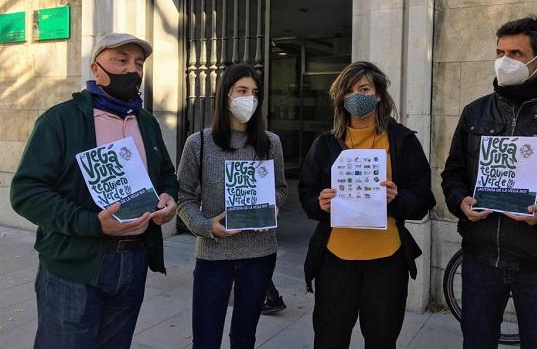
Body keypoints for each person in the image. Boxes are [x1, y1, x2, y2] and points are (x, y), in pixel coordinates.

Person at [10, 33, 178, 349]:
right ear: (96, 69)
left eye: (139, 63)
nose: (132, 70)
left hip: (132, 264)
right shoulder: (60, 120)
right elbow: (26, 192)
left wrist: (169, 199)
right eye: (121, 60)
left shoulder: (146, 122)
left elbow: (167, 176)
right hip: (74, 269)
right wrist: (93, 223)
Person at [441, 14, 537, 349]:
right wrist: (460, 202)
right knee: (476, 342)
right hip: (481, 259)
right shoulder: (475, 112)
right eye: (500, 52)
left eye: (515, 54)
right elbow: (452, 173)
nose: (504, 61)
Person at [299, 61, 436, 349]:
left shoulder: (403, 141)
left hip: (386, 260)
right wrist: (319, 203)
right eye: (348, 91)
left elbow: (423, 201)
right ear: (340, 99)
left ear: (379, 96)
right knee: (330, 338)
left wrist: (397, 198)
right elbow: (307, 195)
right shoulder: (325, 144)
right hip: (336, 259)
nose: (356, 97)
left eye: (364, 89)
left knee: (382, 339)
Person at [177, 64, 287, 349]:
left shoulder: (271, 143)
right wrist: (206, 226)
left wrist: (272, 204)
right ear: (226, 95)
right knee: (205, 338)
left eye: (255, 92)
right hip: (213, 256)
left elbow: (281, 188)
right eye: (242, 91)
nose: (249, 98)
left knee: (244, 337)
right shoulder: (198, 143)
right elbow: (183, 197)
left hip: (260, 254)